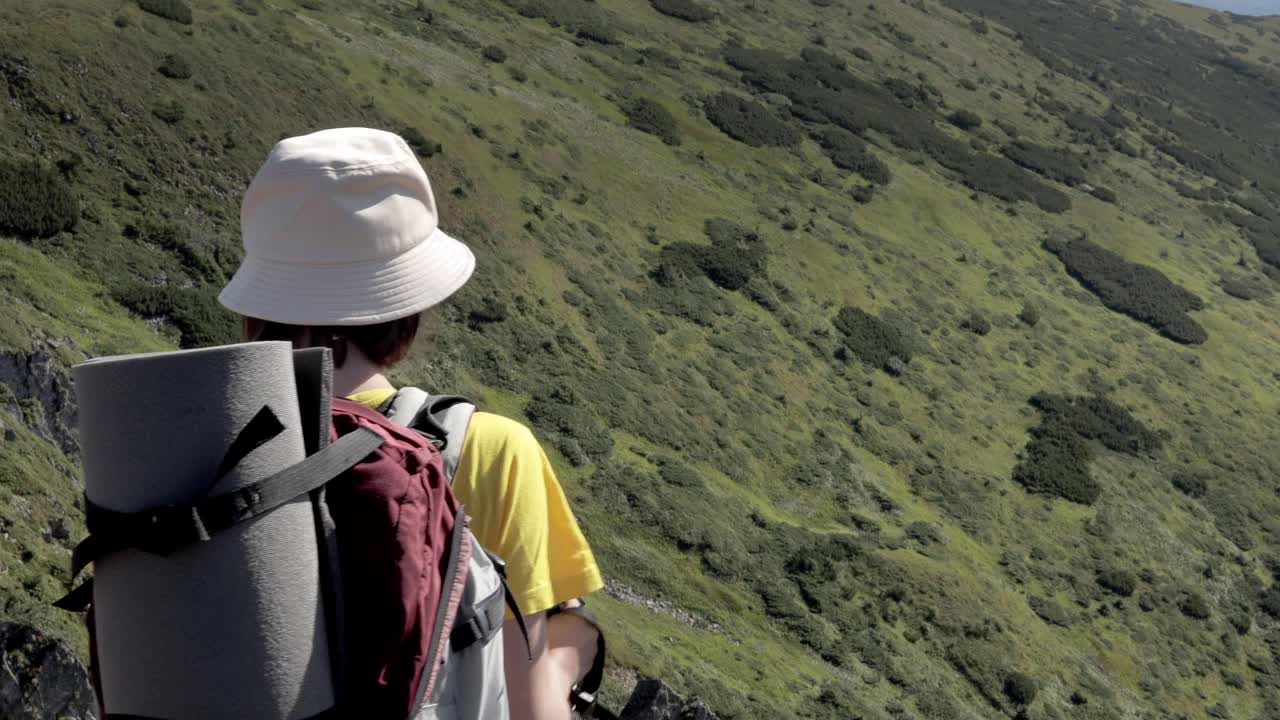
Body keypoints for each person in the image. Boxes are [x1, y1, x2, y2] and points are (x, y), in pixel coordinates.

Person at [217, 127, 604, 719]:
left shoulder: (196, 446)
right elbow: (529, 710)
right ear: (405, 308)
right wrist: (571, 653)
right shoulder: (488, 450)